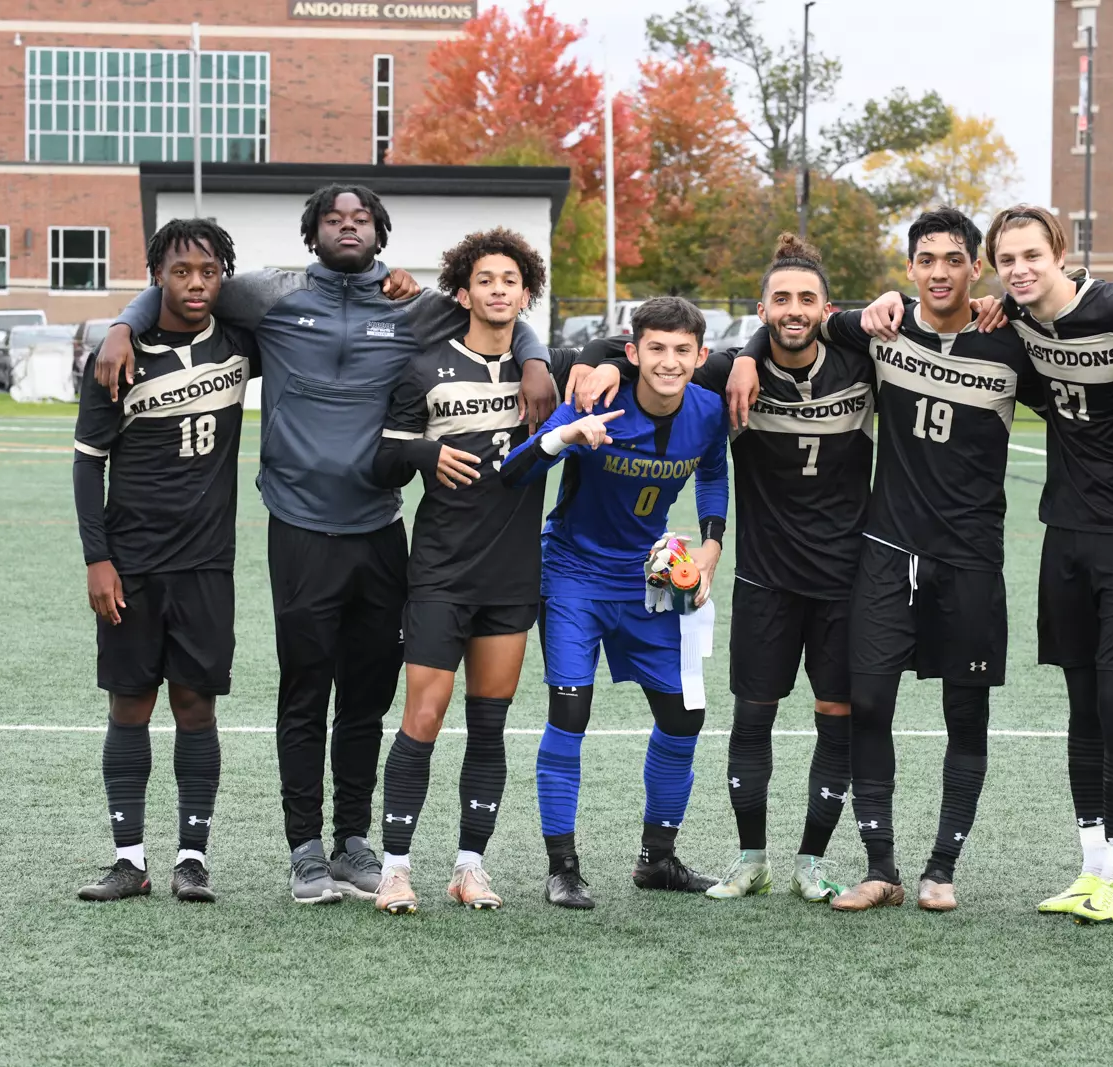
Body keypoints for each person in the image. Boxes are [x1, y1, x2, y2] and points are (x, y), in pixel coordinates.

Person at [94, 184, 556, 904]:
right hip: (301, 524)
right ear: (313, 235)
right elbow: (185, 284)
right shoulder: (267, 295)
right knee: (305, 692)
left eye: (362, 219)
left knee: (368, 698)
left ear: (380, 232)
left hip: (379, 526)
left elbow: (497, 308)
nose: (348, 227)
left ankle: (352, 842)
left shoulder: (414, 304)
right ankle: (304, 849)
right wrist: (122, 325)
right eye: (334, 219)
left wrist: (535, 360)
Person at [855, 204, 1113, 922]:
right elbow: (873, 318)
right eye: (1007, 258)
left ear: (1060, 254)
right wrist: (883, 301)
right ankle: (1089, 869)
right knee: (1082, 709)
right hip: (1064, 533)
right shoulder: (1010, 324)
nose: (1019, 269)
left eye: (1030, 257)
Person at [730, 208, 1042, 913]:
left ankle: (941, 867)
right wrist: (748, 352)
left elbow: (1086, 324)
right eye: (926, 259)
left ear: (976, 269)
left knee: (967, 715)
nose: (939, 271)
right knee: (866, 706)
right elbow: (792, 325)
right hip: (886, 551)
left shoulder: (1011, 341)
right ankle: (883, 867)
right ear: (908, 270)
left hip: (971, 558)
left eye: (954, 259)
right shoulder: (880, 328)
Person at [576, 235, 874, 903]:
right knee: (752, 715)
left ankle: (811, 862)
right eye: (780, 300)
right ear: (761, 308)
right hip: (766, 574)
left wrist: (751, 353)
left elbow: (899, 321)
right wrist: (605, 366)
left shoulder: (860, 363)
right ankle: (751, 860)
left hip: (845, 575)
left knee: (836, 714)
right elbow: (647, 355)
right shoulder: (722, 371)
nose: (793, 310)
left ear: (825, 307)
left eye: (806, 299)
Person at [366, 229, 575, 914]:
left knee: (490, 724)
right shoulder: (424, 367)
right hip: (440, 571)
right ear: (464, 291)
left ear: (525, 293)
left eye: (510, 280)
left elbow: (613, 359)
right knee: (423, 715)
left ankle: (469, 865)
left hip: (512, 574)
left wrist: (547, 360)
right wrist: (427, 456)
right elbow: (381, 462)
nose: (497, 289)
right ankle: (394, 868)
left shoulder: (545, 371)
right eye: (485, 279)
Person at [501, 296, 730, 909]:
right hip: (573, 574)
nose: (669, 361)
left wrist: (710, 544)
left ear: (700, 356)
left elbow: (712, 471)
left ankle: (657, 859)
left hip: (648, 578)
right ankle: (563, 867)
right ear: (632, 354)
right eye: (656, 348)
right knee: (570, 716)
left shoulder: (708, 411)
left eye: (683, 350)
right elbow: (513, 472)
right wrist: (565, 434)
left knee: (684, 717)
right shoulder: (597, 401)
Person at [72, 219, 253, 903]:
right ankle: (129, 860)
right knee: (130, 705)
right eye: (181, 271)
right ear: (158, 277)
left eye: (208, 270)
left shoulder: (240, 343)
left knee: (195, 705)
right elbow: (88, 466)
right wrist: (98, 559)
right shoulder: (117, 357)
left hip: (207, 563)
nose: (196, 282)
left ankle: (192, 858)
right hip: (134, 561)